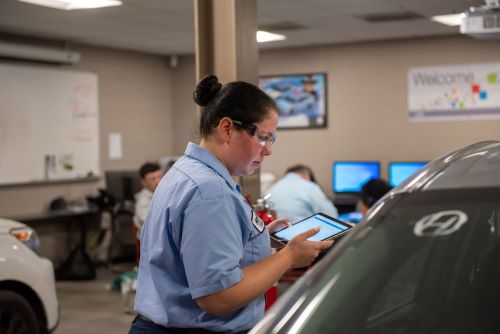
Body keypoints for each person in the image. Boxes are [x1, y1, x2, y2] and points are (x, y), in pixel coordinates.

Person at [129, 75, 333, 334]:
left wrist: (257, 239)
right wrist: (289, 256)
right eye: (262, 136)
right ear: (226, 129)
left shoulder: (186, 170)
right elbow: (218, 296)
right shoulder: (209, 191)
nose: (268, 150)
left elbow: (190, 251)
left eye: (272, 139)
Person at [266, 164, 338, 223]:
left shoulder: (271, 188)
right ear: (305, 174)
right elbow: (331, 216)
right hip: (301, 235)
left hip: (274, 236)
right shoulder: (310, 187)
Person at [133, 162, 162, 239]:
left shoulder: (160, 193)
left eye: (159, 177)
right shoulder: (143, 202)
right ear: (144, 183)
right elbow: (155, 227)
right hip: (151, 242)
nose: (158, 182)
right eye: (152, 179)